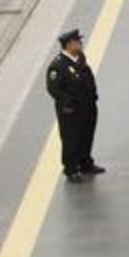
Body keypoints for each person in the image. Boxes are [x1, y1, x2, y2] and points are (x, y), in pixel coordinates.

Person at [46, 29, 102, 182]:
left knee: (87, 135)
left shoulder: (79, 58)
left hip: (88, 106)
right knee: (72, 138)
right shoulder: (58, 66)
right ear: (69, 44)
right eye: (78, 41)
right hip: (71, 111)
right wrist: (68, 103)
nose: (81, 44)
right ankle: (71, 169)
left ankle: (85, 163)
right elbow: (53, 89)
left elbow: (87, 79)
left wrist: (93, 96)